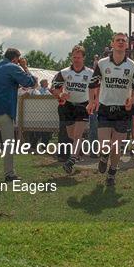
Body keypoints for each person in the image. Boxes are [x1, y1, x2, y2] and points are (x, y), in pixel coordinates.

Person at [87, 33, 134, 186]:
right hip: (105, 107)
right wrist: (91, 102)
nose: (120, 42)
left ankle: (112, 172)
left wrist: (131, 100)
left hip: (122, 110)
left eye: (123, 41)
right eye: (117, 40)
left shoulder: (132, 66)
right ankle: (103, 156)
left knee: (116, 147)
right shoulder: (102, 63)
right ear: (112, 44)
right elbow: (92, 84)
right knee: (105, 145)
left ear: (127, 45)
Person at [0, 48, 37, 183]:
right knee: (8, 143)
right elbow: (30, 82)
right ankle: (9, 174)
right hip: (3, 108)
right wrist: (24, 67)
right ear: (15, 58)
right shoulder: (13, 67)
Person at [51, 45, 93, 174]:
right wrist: (60, 95)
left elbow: (96, 89)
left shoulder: (90, 73)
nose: (76, 60)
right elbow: (54, 88)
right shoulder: (64, 72)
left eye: (79, 57)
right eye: (74, 57)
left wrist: (93, 102)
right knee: (71, 135)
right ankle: (80, 144)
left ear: (84, 58)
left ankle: (71, 160)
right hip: (68, 106)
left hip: (83, 105)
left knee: (76, 135)